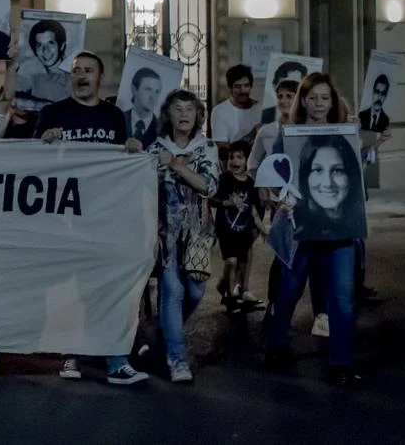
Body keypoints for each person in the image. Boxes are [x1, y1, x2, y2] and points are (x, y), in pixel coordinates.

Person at [37, 53, 148, 386]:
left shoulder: (113, 115)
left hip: (104, 214)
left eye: (88, 70)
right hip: (66, 215)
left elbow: (121, 163)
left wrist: (131, 149)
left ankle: (116, 360)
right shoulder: (52, 113)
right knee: (71, 289)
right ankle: (71, 353)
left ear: (101, 76)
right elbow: (32, 161)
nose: (81, 75)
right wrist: (44, 142)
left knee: (109, 287)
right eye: (76, 71)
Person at [266, 114, 361, 384]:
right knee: (289, 289)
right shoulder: (290, 133)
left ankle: (340, 363)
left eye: (338, 170)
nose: (327, 182)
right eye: (317, 170)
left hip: (341, 235)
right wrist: (281, 195)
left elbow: (362, 168)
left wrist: (367, 143)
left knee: (342, 297)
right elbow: (274, 173)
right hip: (301, 230)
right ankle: (276, 344)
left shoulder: (346, 130)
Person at [150, 89, 219, 383]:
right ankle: (178, 360)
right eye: (177, 109)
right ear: (169, 114)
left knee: (194, 291)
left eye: (189, 109)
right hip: (165, 235)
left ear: (197, 115)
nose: (184, 114)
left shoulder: (207, 147)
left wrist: (176, 165)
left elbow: (209, 186)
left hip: (198, 235)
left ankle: (166, 328)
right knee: (172, 292)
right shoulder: (155, 148)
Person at [211, 141, 266, 310]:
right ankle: (231, 296)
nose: (234, 161)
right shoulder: (224, 179)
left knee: (240, 262)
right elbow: (213, 199)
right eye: (231, 158)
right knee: (231, 261)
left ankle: (228, 291)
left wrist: (261, 229)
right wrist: (227, 203)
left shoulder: (250, 184)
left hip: (242, 230)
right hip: (226, 229)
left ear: (247, 160)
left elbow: (255, 209)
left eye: (239, 157)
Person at [14, 19, 70, 110]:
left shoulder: (73, 72)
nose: (45, 50)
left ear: (62, 46)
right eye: (39, 45)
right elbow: (10, 97)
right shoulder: (29, 67)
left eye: (50, 43)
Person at [248, 79, 299, 171]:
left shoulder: (306, 129)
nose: (283, 100)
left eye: (289, 96)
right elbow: (253, 163)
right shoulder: (266, 130)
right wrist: (261, 183)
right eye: (280, 96)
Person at [212, 64, 260, 150]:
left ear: (251, 86)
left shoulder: (260, 109)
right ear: (230, 88)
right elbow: (222, 150)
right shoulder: (220, 111)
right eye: (237, 86)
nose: (243, 91)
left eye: (246, 85)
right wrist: (251, 135)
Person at [124, 67, 162, 148]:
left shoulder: (163, 128)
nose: (153, 97)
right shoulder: (119, 119)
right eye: (148, 89)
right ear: (134, 89)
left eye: (157, 91)